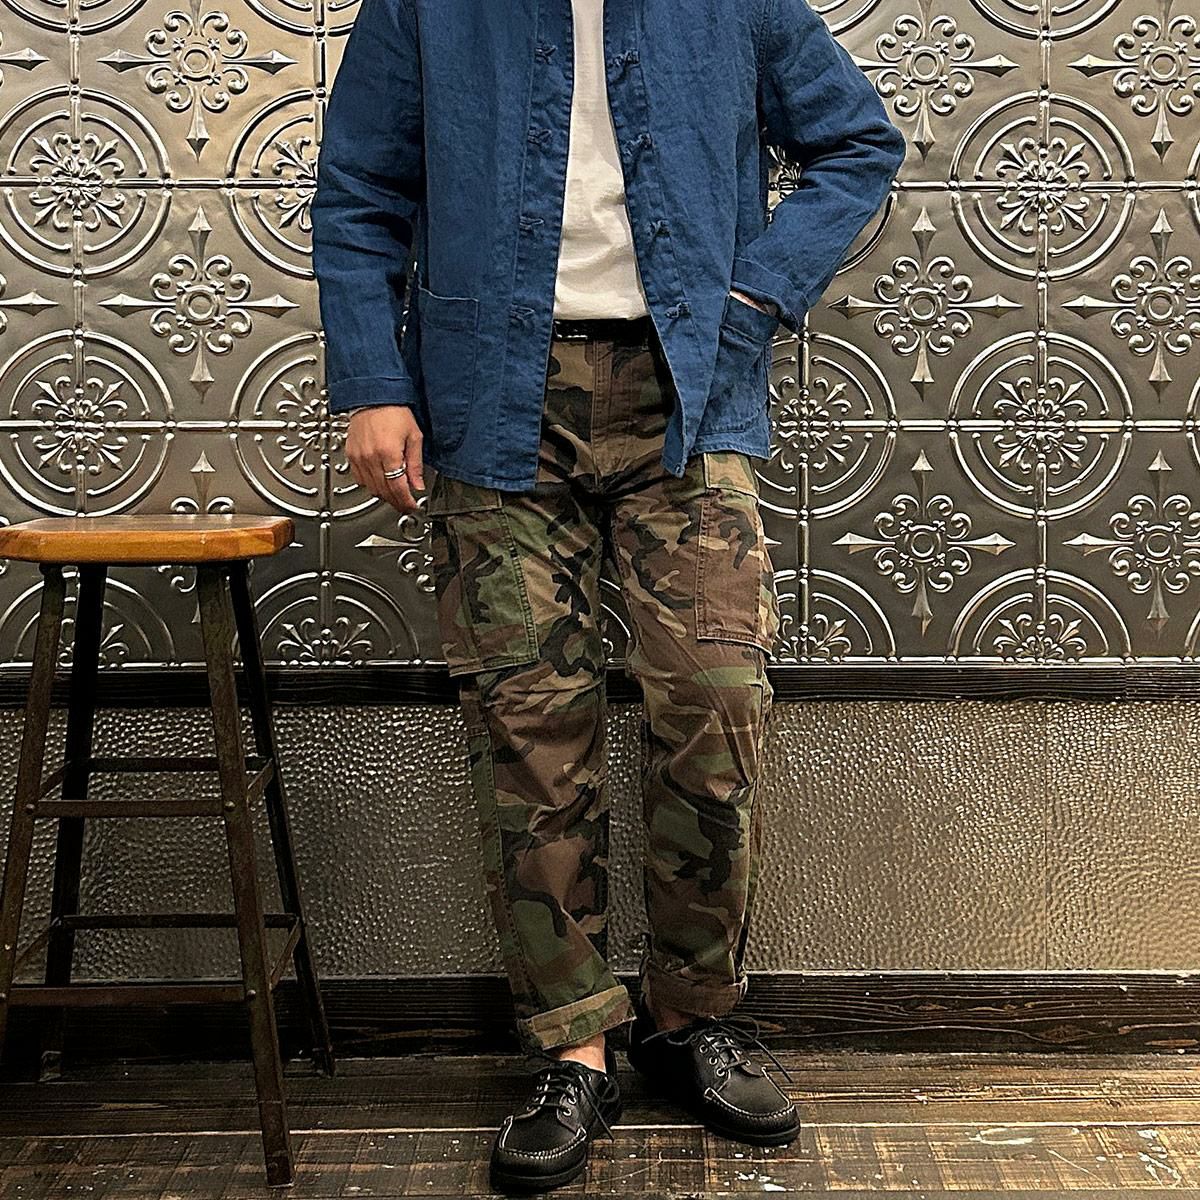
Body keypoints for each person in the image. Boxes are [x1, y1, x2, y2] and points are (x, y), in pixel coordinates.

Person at [311, 0, 906, 1190]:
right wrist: (372, 379)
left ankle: (691, 1017)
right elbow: (358, 192)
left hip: (690, 388)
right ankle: (572, 1046)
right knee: (528, 724)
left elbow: (859, 144)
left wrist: (758, 292)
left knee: (715, 704)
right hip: (491, 393)